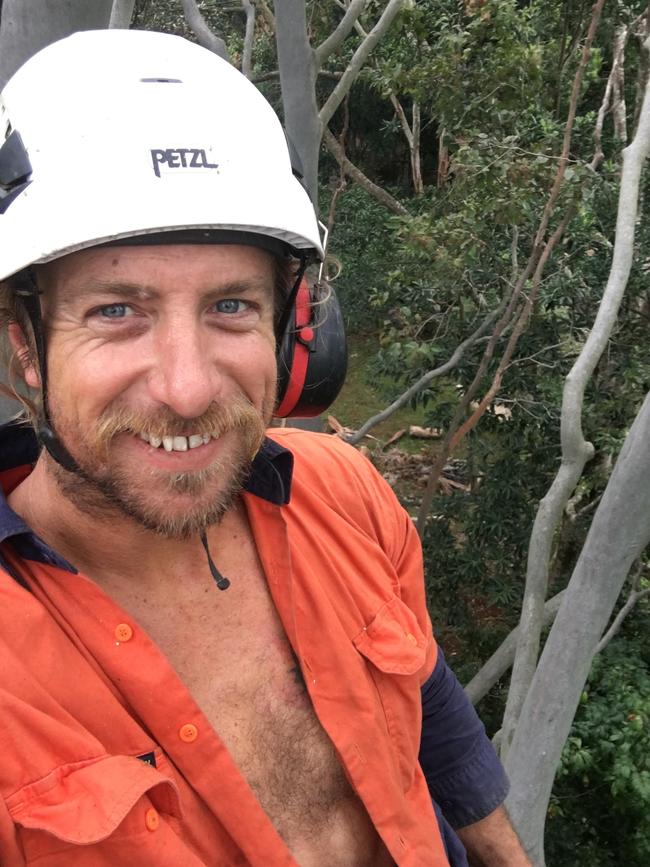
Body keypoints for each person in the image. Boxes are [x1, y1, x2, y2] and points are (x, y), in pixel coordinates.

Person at [0, 30, 531, 867]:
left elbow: (429, 704)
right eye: (116, 311)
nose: (188, 387)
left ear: (293, 334)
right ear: (26, 345)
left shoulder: (342, 492)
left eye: (230, 307)